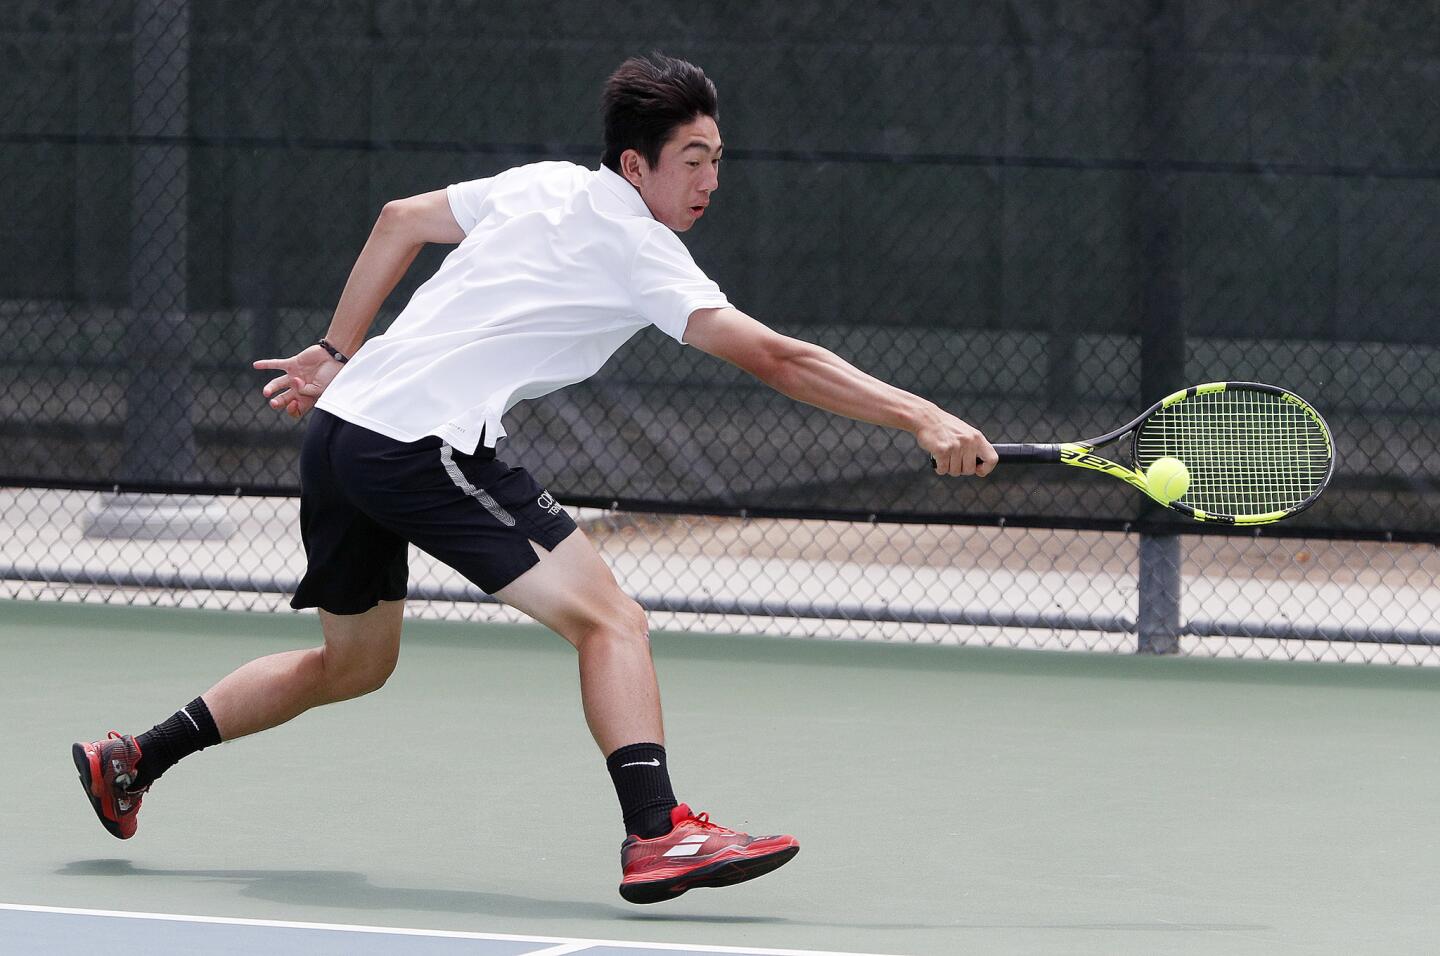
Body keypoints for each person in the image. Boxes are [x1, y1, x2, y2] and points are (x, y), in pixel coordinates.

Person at [72, 52, 997, 904]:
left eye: (718, 158)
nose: (711, 180)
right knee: (613, 621)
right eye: (692, 159)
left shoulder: (542, 185)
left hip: (344, 429)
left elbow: (400, 220)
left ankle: (134, 757)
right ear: (636, 168)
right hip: (418, 443)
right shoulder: (643, 250)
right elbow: (779, 359)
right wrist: (921, 414)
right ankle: (658, 832)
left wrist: (331, 350)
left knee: (355, 665)